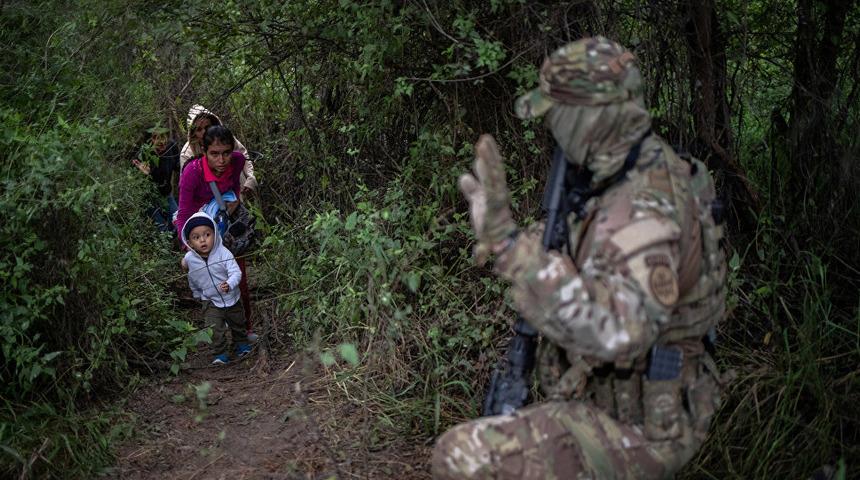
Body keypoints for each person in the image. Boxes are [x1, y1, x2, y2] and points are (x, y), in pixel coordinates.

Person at [432, 37, 728, 479]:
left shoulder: (648, 204)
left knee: (462, 456)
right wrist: (508, 241)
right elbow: (586, 259)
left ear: (587, 119)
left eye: (558, 114)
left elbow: (620, 332)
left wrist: (511, 249)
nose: (551, 126)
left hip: (647, 423)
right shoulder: (616, 174)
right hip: (606, 395)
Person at [176, 125, 257, 341]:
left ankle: (244, 329)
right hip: (202, 233)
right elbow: (183, 212)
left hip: (226, 229)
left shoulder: (238, 161)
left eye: (226, 153)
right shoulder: (193, 173)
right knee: (211, 285)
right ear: (204, 151)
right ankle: (218, 338)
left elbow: (235, 186)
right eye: (214, 154)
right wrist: (188, 248)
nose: (221, 160)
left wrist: (234, 201)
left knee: (238, 276)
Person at [181, 211, 251, 365]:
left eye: (207, 234)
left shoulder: (223, 253)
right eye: (196, 237)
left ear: (215, 234)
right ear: (190, 243)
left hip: (231, 297)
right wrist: (197, 293)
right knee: (214, 328)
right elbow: (192, 277)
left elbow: (236, 272)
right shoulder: (191, 259)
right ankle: (220, 353)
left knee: (238, 322)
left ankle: (241, 344)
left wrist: (230, 284)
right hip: (210, 300)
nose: (203, 240)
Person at [179, 104, 258, 197]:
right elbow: (187, 185)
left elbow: (242, 154)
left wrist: (250, 177)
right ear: (193, 133)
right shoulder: (187, 153)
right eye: (199, 129)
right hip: (209, 201)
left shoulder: (226, 139)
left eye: (207, 127)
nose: (204, 132)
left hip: (237, 189)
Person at [131, 126, 180, 232]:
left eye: (163, 136)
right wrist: (146, 174)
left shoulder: (172, 146)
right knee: (162, 229)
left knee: (178, 223)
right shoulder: (143, 153)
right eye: (156, 137)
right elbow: (133, 178)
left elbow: (178, 166)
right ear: (150, 140)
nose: (161, 141)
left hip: (166, 193)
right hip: (150, 198)